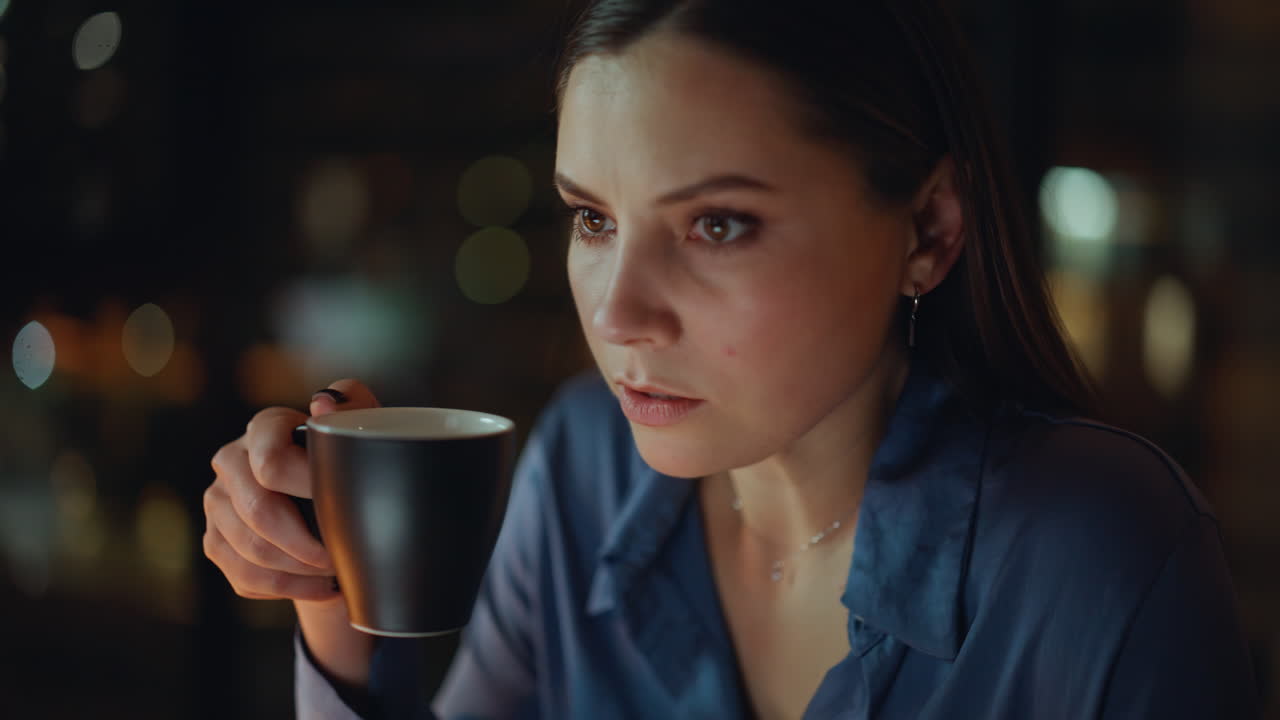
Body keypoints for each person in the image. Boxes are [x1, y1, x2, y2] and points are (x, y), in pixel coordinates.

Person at [204, 0, 1262, 718]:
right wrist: (331, 605)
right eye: (590, 218)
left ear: (928, 230)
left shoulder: (1095, 555)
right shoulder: (581, 468)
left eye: (716, 226)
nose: (618, 314)